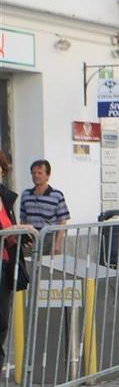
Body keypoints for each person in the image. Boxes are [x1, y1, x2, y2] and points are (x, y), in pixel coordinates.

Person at [0, 151, 34, 373]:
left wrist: (18, 236)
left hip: (4, 266)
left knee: (2, 322)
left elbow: (7, 229)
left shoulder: (5, 199)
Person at [19, 159, 69, 255]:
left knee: (46, 265)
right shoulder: (25, 195)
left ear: (48, 175)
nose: (36, 175)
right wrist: (24, 238)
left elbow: (62, 222)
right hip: (30, 240)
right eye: (34, 173)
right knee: (28, 264)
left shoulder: (57, 195)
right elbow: (23, 219)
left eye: (40, 173)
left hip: (49, 239)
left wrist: (57, 244)